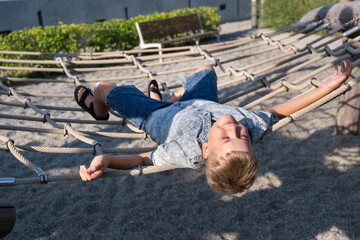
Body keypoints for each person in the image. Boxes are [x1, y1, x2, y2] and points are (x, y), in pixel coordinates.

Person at [74, 61, 352, 194]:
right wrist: (327, 87)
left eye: (226, 138)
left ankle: (99, 111)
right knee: (206, 69)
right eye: (241, 136)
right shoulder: (252, 127)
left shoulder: (185, 152)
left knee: (102, 89)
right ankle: (167, 96)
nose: (233, 127)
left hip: (153, 116)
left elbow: (143, 159)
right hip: (200, 102)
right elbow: (278, 112)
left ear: (206, 150)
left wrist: (108, 159)